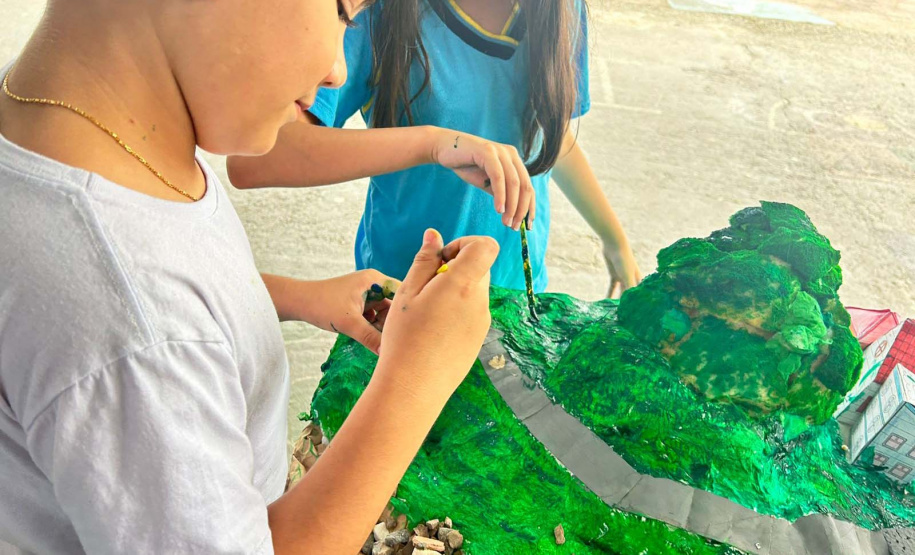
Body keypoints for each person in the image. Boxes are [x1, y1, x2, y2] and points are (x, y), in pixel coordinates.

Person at [0, 1, 504, 553]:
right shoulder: (127, 319)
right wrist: (417, 375)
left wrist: (294, 297)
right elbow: (149, 324)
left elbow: (169, 297)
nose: (338, 68)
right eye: (342, 9)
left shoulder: (73, 134)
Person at [228, 0, 642, 298]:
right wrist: (433, 143)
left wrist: (614, 239)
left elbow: (547, 136)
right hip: (402, 299)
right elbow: (257, 157)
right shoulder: (377, 13)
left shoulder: (562, 13)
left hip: (517, 296)